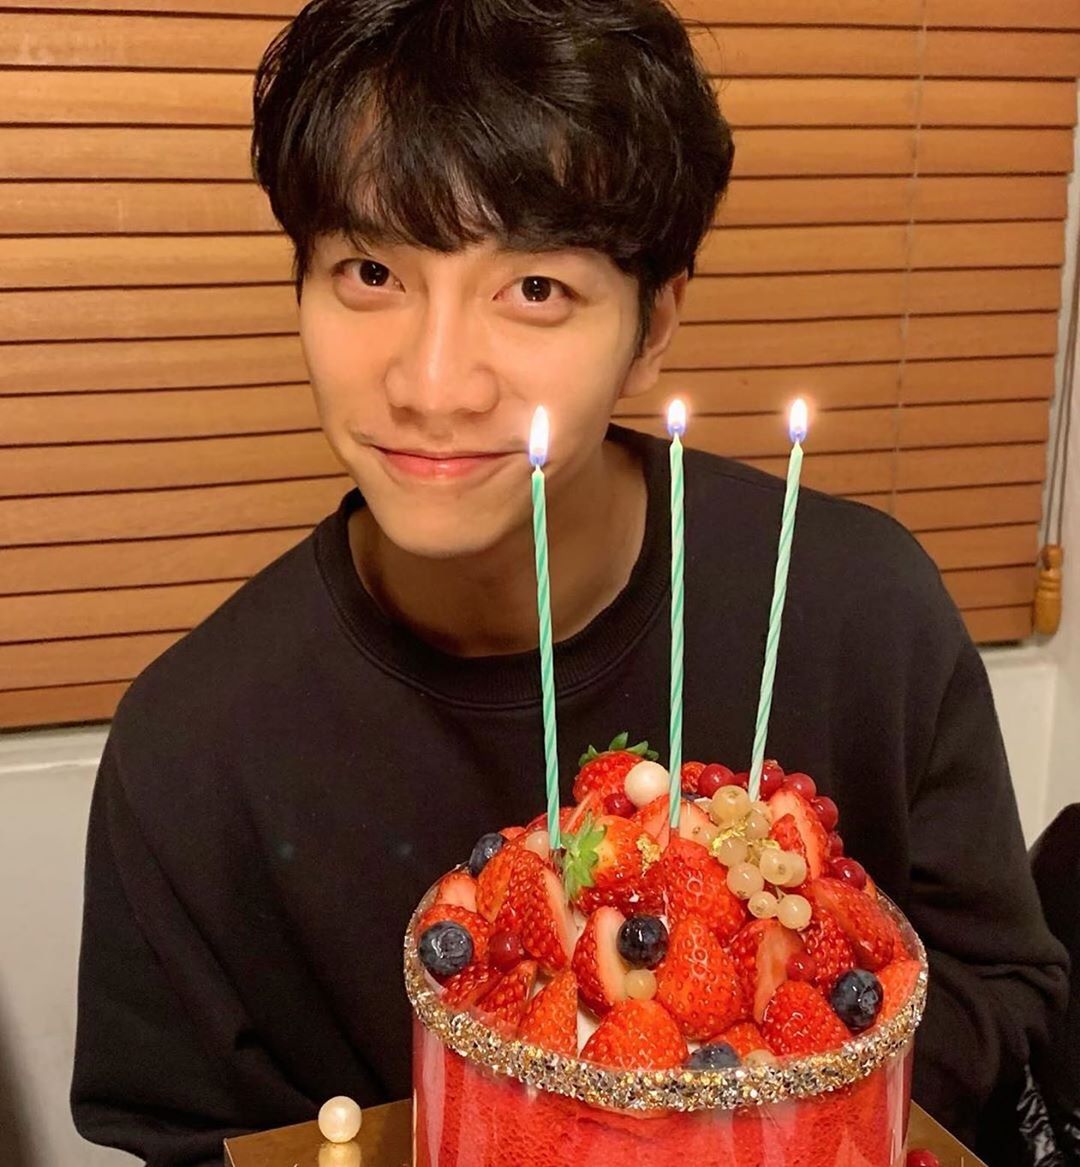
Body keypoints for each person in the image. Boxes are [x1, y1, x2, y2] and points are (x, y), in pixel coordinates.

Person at [70, 2, 1068, 1165]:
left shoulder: (859, 610)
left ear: (655, 323)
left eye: (536, 288)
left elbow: (1002, 990)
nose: (434, 386)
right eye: (371, 270)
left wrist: (732, 1119)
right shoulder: (190, 754)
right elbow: (189, 1140)